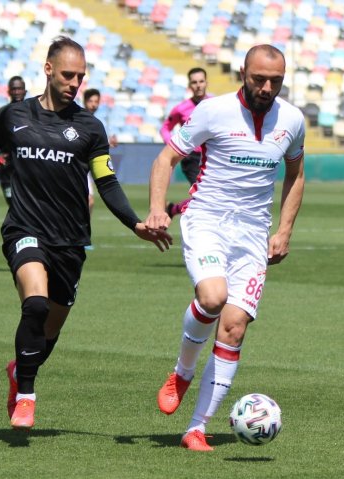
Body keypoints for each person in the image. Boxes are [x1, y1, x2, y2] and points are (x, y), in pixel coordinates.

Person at [0, 37, 172, 431]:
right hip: (25, 229)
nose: (75, 82)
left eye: (80, 76)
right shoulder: (14, 116)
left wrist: (135, 224)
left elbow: (107, 183)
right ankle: (26, 396)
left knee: (47, 333)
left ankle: (19, 371)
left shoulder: (90, 128)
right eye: (67, 74)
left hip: (70, 240)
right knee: (36, 305)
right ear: (47, 70)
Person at [145, 45, 306, 452]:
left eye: (275, 81)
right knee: (213, 297)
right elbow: (165, 159)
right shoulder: (213, 111)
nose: (267, 88)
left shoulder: (292, 120)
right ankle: (182, 371)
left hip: (253, 235)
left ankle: (197, 428)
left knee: (233, 328)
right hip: (208, 221)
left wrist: (284, 230)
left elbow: (296, 172)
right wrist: (155, 211)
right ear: (242, 73)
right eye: (258, 79)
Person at [159, 67, 210, 218]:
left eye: (201, 81)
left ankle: (173, 209)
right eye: (194, 82)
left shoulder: (215, 104)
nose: (198, 85)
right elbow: (165, 128)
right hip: (192, 157)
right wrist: (175, 146)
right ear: (189, 85)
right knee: (203, 196)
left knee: (213, 197)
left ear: (206, 82)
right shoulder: (181, 109)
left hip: (213, 156)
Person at [82, 88, 118, 250]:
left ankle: (83, 235)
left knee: (88, 201)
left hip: (88, 167)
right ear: (85, 101)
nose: (94, 105)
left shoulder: (96, 122)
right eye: (91, 101)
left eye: (96, 102)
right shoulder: (79, 119)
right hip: (78, 166)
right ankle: (80, 235)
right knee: (86, 201)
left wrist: (109, 142)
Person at [0, 76, 27, 207]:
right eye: (14, 89)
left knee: (28, 207)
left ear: (25, 91)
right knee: (13, 205)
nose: (16, 92)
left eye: (19, 89)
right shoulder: (1, 114)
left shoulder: (35, 113)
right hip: (7, 169)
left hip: (29, 167)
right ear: (9, 92)